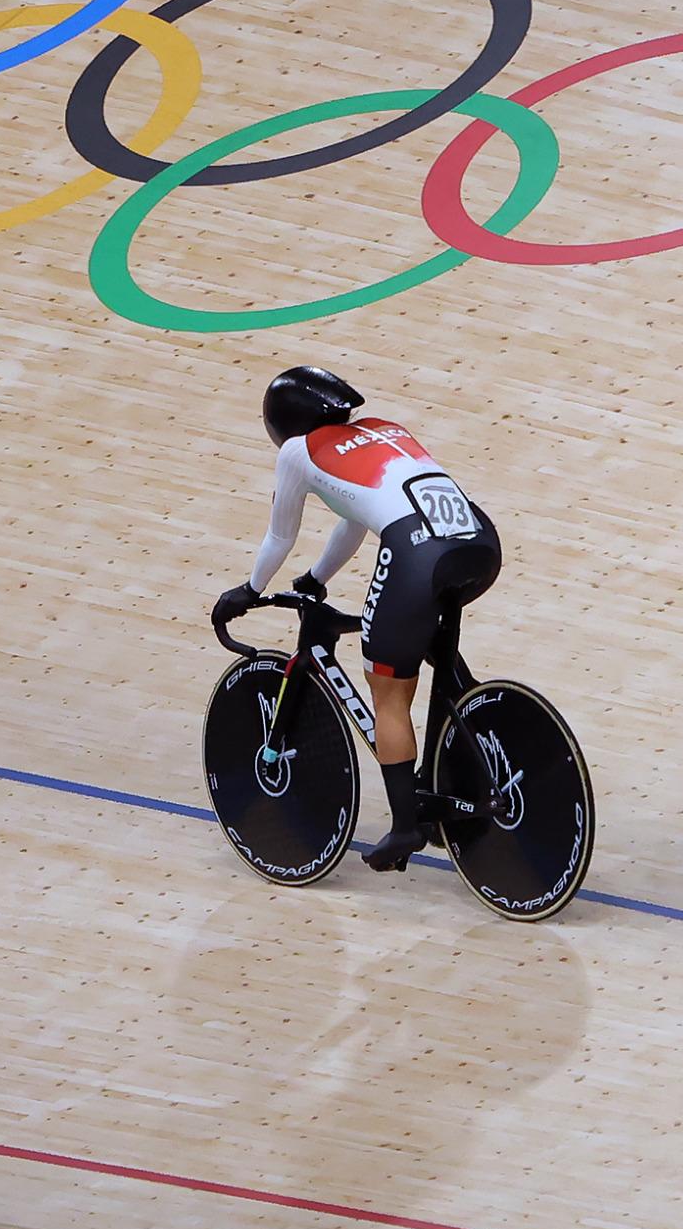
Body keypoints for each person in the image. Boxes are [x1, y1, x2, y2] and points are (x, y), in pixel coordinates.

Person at [211, 365, 501, 870]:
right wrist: (316, 577)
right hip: (479, 542)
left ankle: (406, 827)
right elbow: (355, 518)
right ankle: (465, 747)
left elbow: (280, 536)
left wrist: (248, 591)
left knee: (388, 689)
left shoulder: (297, 452)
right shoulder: (384, 428)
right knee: (417, 638)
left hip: (420, 553)